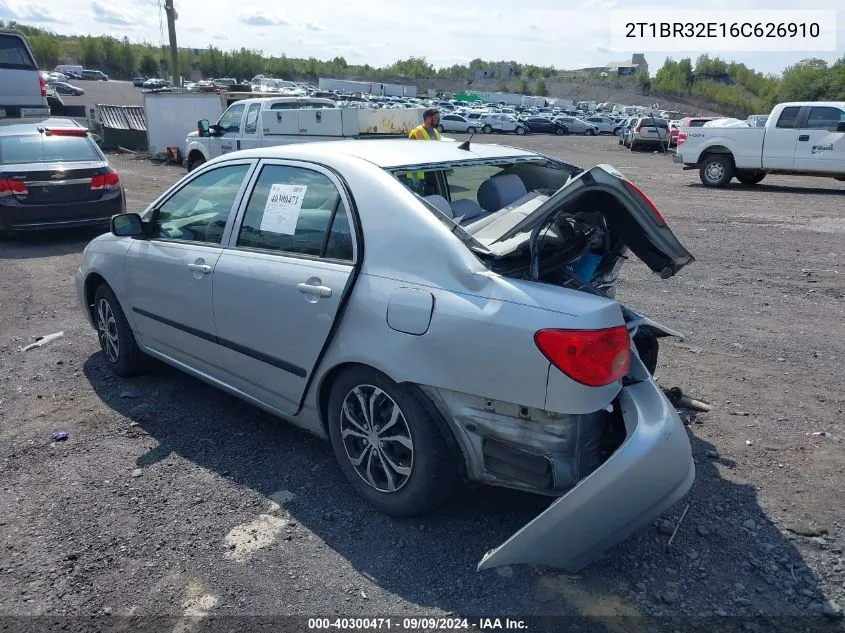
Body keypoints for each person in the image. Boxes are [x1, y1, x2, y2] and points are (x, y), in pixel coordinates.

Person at [406, 108, 441, 192]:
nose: (438, 120)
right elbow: (411, 154)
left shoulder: (435, 132)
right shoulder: (417, 132)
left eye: (439, 118)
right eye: (436, 118)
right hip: (418, 174)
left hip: (431, 172)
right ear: (428, 118)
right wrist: (414, 176)